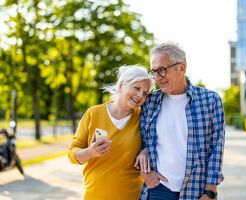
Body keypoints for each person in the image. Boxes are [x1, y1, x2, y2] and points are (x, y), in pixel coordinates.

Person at [139, 41, 225, 200]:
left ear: (182, 67)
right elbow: (139, 140)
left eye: (162, 70)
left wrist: (210, 191)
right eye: (154, 71)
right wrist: (144, 168)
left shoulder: (210, 100)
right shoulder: (149, 102)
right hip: (159, 189)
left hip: (197, 190)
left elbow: (216, 147)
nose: (157, 78)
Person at [68, 65, 154, 200]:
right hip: (94, 195)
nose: (140, 95)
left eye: (145, 93)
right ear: (121, 85)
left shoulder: (144, 118)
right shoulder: (93, 113)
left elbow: (157, 143)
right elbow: (72, 155)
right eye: (136, 88)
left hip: (131, 196)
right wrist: (90, 152)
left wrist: (146, 150)